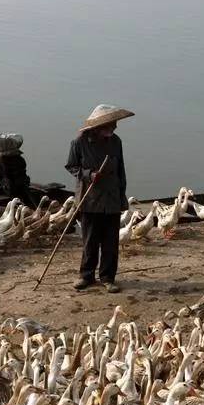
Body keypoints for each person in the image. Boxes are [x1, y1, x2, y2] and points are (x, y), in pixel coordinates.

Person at [65, 104, 133, 293]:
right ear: (98, 126)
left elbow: (121, 170)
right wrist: (89, 174)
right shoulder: (79, 142)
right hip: (90, 198)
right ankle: (86, 276)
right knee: (90, 240)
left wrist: (122, 196)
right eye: (111, 124)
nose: (114, 127)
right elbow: (72, 166)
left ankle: (108, 277)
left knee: (111, 241)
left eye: (115, 124)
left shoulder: (116, 142)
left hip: (111, 197)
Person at [0, 133, 34, 206]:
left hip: (11, 193)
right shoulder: (19, 159)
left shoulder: (0, 162)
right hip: (22, 188)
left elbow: (7, 183)